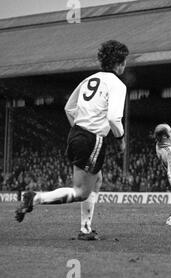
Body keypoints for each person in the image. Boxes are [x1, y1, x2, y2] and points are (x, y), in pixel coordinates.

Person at [15, 40, 130, 241]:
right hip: (92, 139)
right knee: (81, 192)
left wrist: (79, 131)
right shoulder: (117, 85)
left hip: (76, 133)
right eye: (125, 61)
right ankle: (35, 198)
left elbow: (69, 108)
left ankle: (85, 229)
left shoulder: (88, 80)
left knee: (98, 179)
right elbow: (113, 118)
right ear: (119, 63)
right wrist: (121, 138)